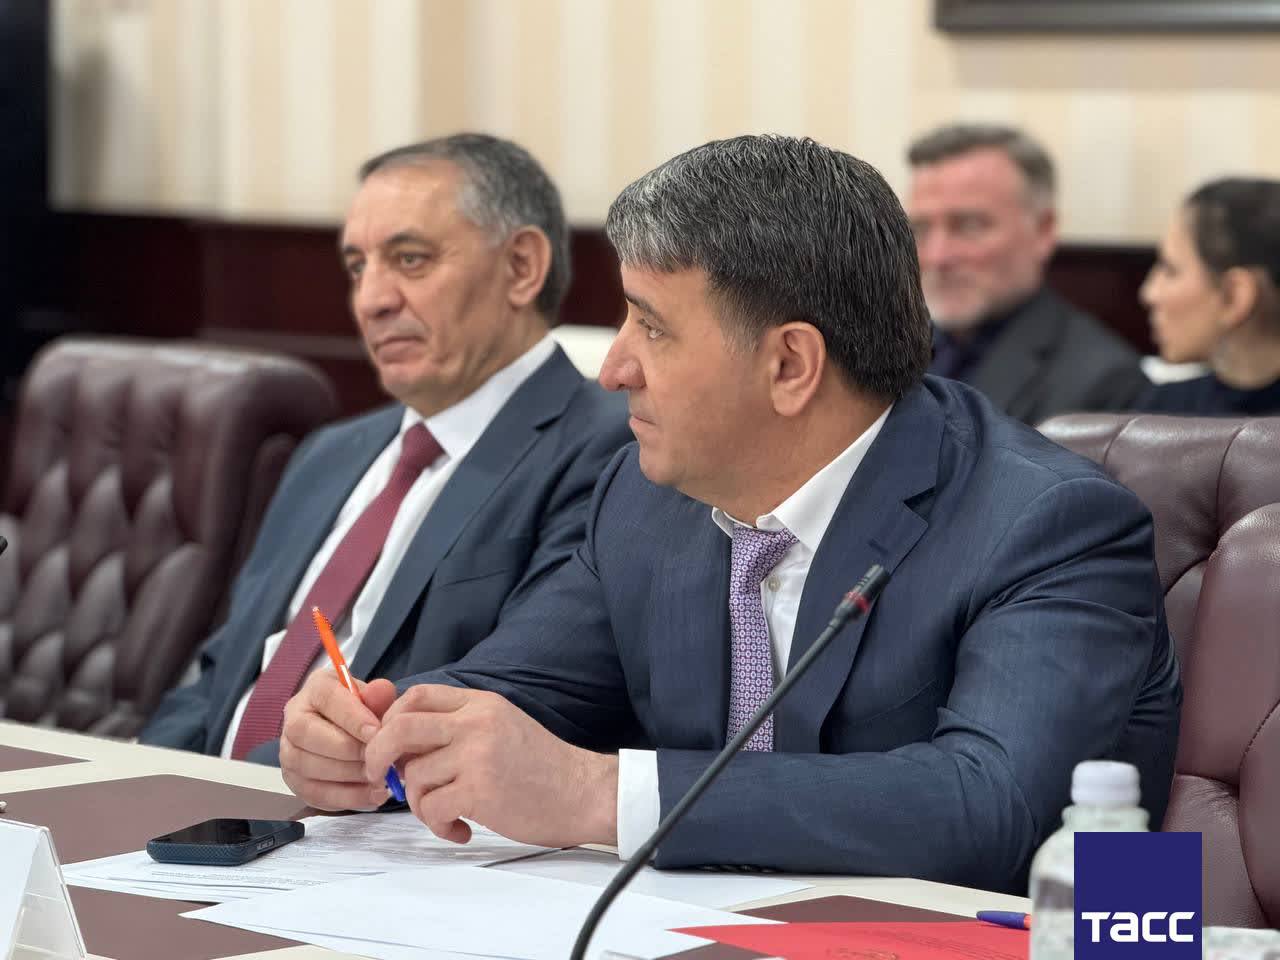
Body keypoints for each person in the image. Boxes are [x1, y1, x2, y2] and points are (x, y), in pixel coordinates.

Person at [278, 135, 1180, 894]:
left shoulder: (1048, 524)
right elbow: (521, 689)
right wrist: (384, 736)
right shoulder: (645, 498)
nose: (613, 369)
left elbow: (991, 806)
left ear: (789, 365)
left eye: (651, 327)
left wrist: (599, 795)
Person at [139, 134, 630, 762]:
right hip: (208, 806)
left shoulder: (609, 450)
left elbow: (517, 691)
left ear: (521, 267)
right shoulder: (328, 453)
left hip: (363, 805)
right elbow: (220, 679)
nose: (371, 300)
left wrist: (259, 783)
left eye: (410, 260)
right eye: (357, 267)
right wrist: (141, 775)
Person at [907, 124, 1149, 423]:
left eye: (969, 226)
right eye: (919, 229)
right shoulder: (884, 350)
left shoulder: (1104, 382)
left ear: (1043, 231)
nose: (937, 256)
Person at [1134, 177, 1280, 415]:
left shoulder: (1169, 413)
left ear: (1234, 296)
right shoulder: (1164, 406)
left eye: (1171, 270)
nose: (1149, 294)